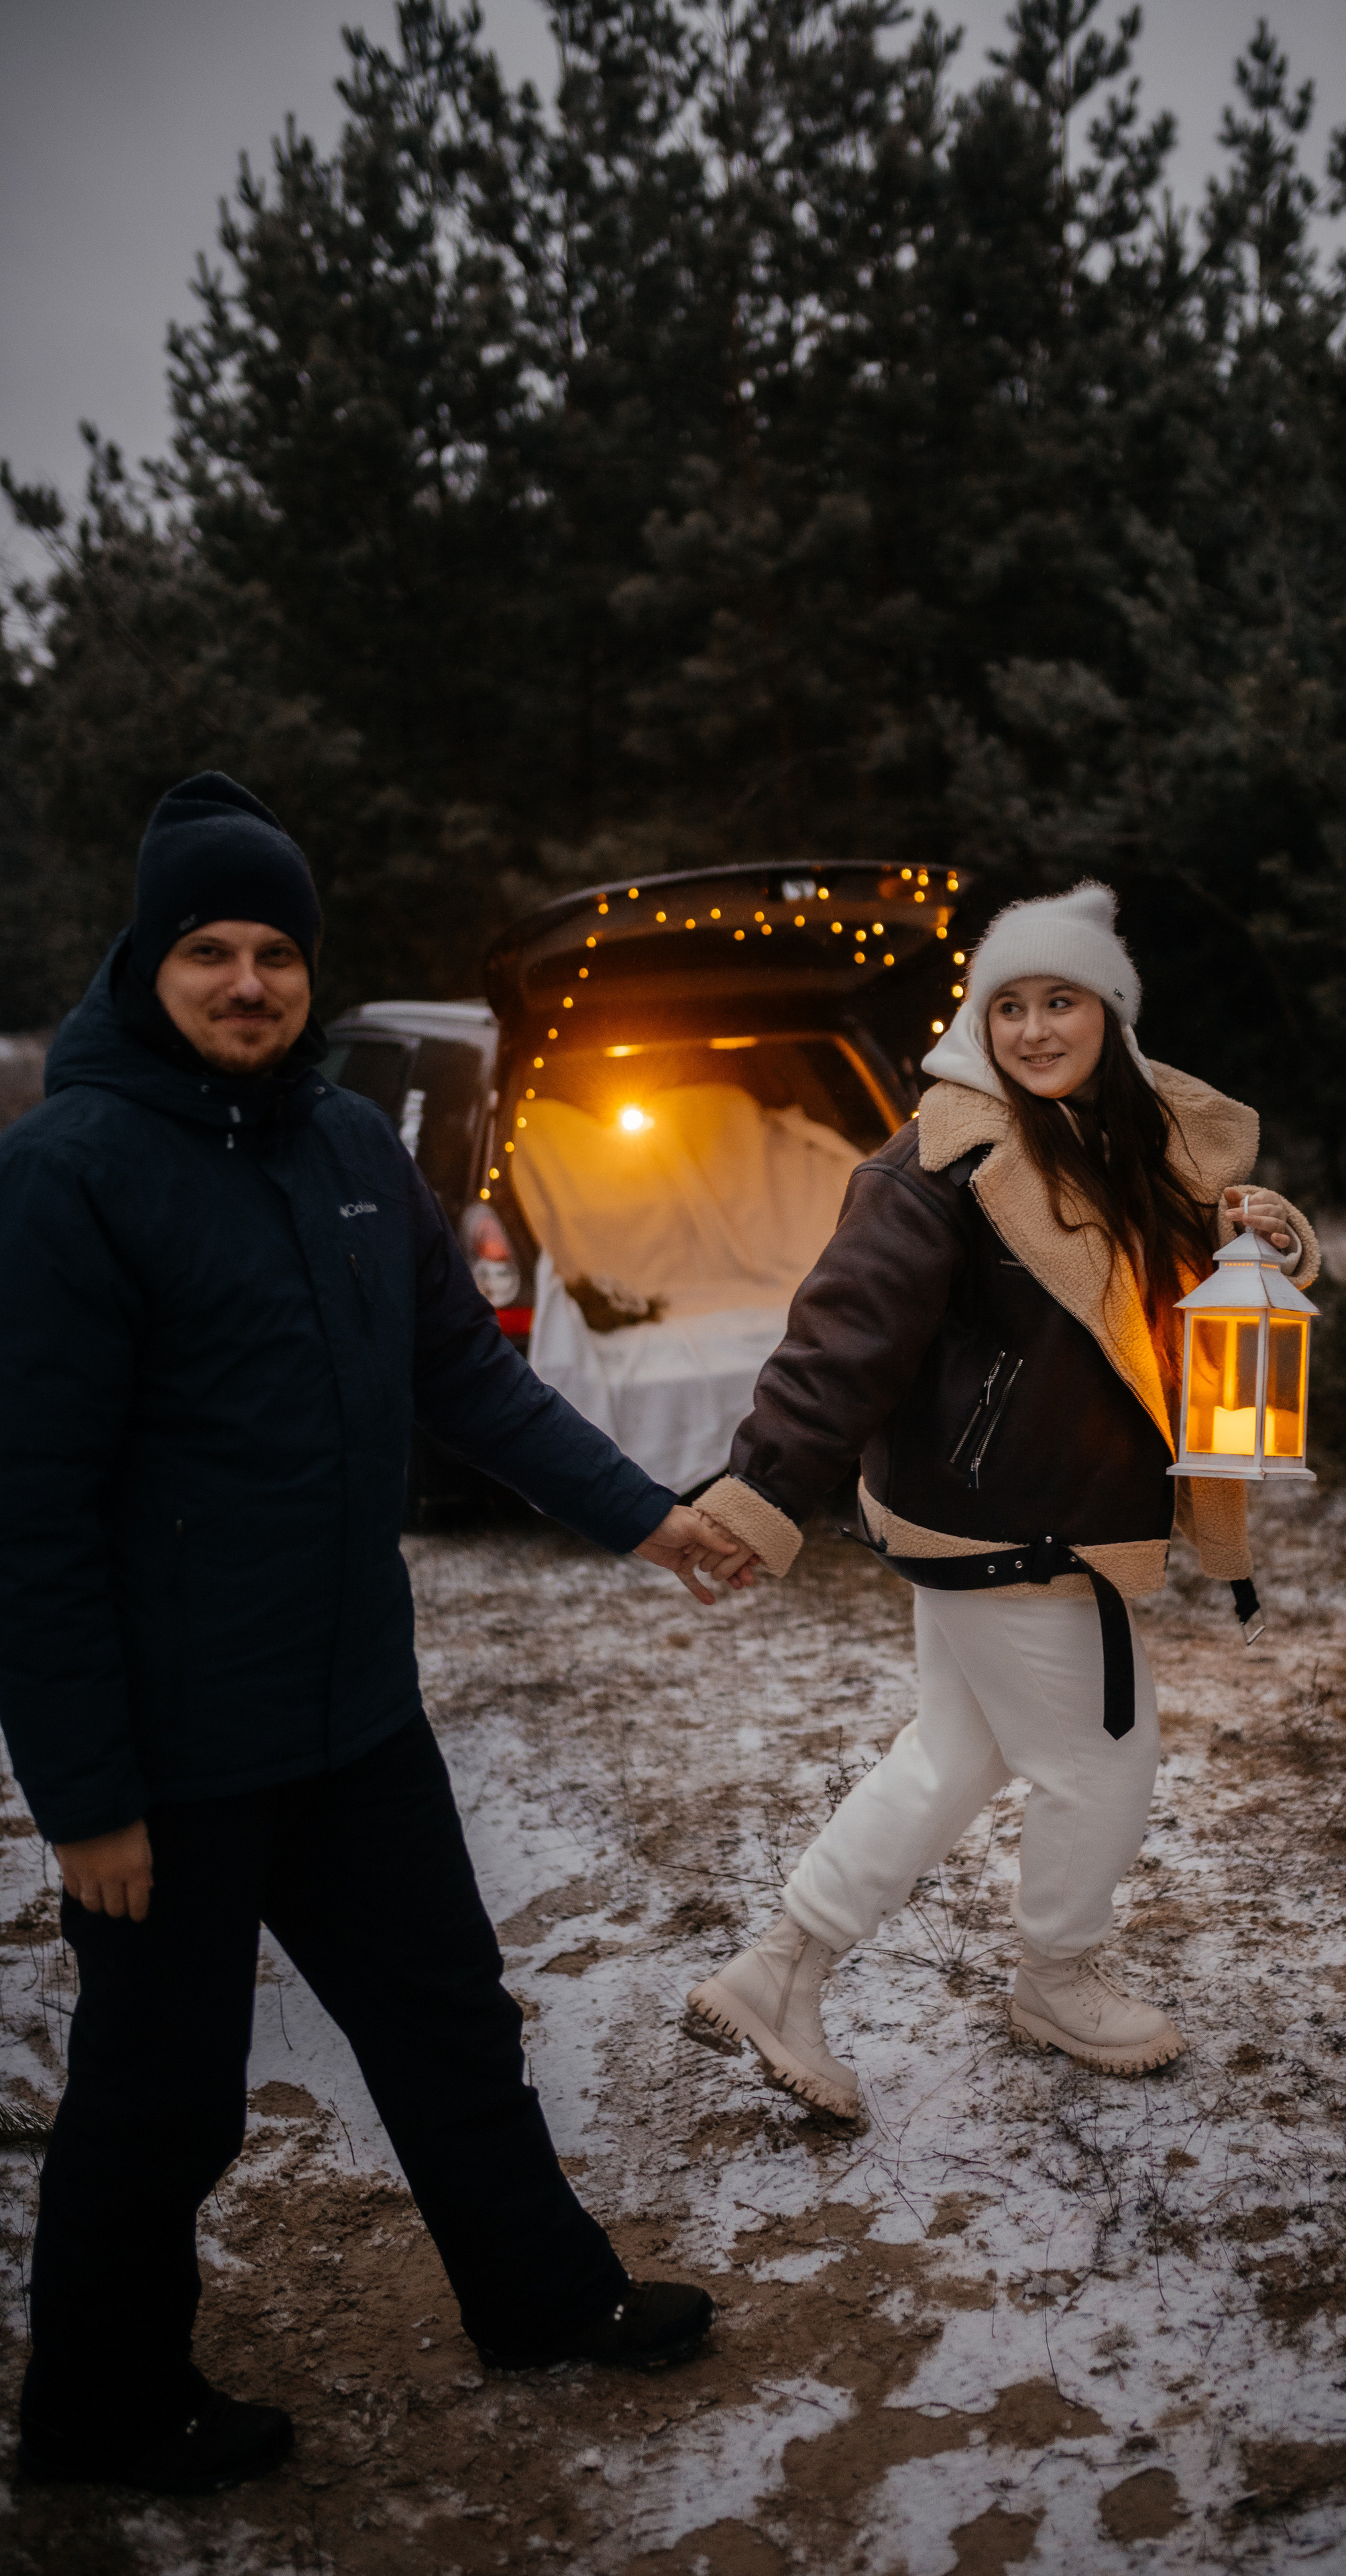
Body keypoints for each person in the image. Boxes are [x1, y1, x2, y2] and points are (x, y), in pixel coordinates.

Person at [0, 774, 756, 2496]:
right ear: (148, 959)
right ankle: (103, 2419)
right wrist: (84, 1793)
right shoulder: (67, 1174)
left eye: (277, 950)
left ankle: (542, 2304)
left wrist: (645, 1513)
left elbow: (465, 1376)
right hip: (175, 1759)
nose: (249, 981)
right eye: (210, 949)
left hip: (350, 1719)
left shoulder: (351, 1148)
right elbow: (29, 1513)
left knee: (448, 2028)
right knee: (161, 2102)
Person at [685, 882, 1319, 2123]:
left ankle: (778, 1972)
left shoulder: (1124, 1142)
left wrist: (1264, 1236)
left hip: (1056, 1503)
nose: (1034, 1029)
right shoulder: (941, 1163)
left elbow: (1194, 1290)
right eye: (1009, 1005)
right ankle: (1057, 1979)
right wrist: (757, 1495)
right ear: (979, 1022)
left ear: (1109, 1015)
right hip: (1010, 1521)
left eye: (1061, 1001)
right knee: (1105, 1763)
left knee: (953, 1756)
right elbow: (841, 1341)